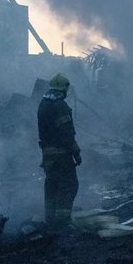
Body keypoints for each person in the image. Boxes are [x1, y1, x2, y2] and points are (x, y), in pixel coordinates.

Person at [37, 73, 82, 228]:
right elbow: (67, 134)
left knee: (52, 185)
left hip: (48, 155)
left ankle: (50, 219)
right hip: (62, 154)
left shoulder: (43, 104)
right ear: (64, 89)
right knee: (69, 185)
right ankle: (63, 222)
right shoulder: (60, 106)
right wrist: (76, 153)